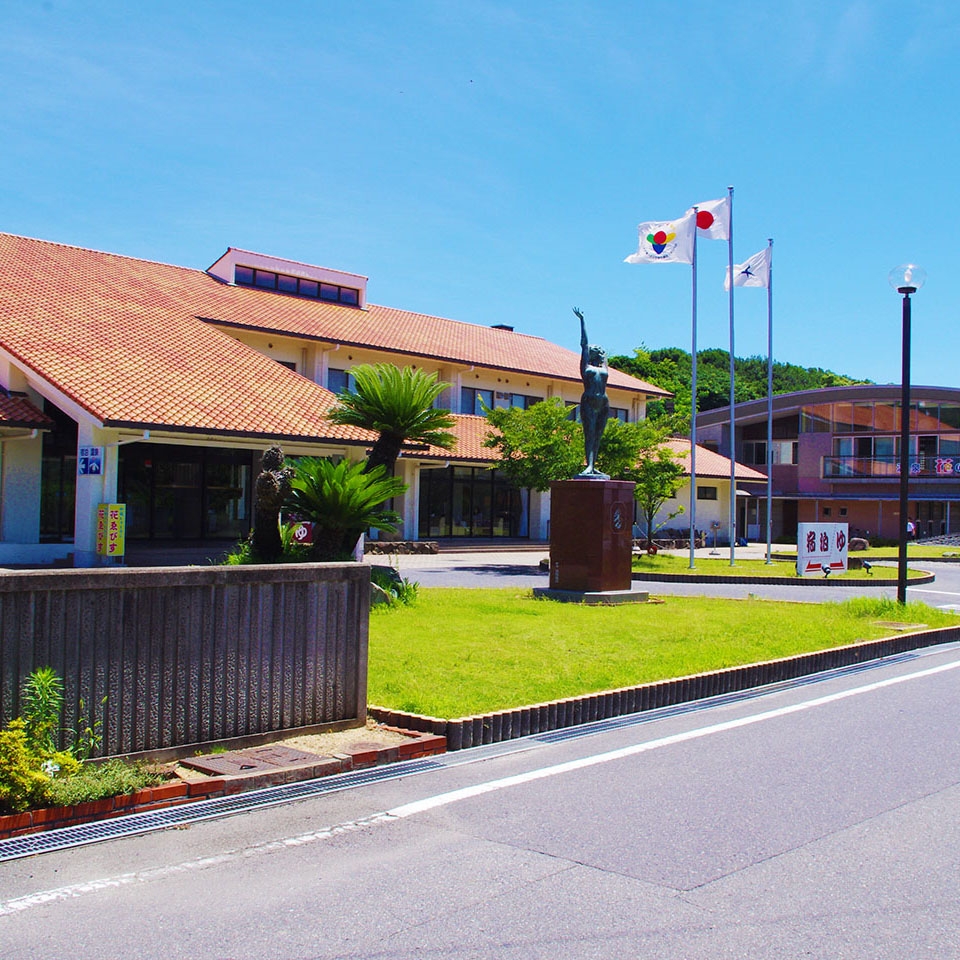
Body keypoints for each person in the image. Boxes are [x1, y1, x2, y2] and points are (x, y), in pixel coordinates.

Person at [573, 307, 610, 478]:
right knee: (589, 433)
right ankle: (588, 465)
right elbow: (584, 343)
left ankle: (594, 465)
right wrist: (582, 321)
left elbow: (603, 355)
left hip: (603, 402)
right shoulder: (586, 366)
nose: (594, 350)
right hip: (589, 400)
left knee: (598, 435)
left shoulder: (604, 367)